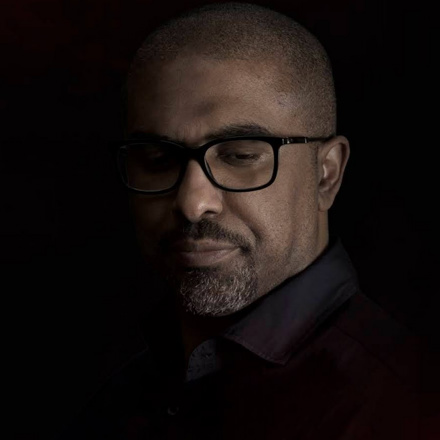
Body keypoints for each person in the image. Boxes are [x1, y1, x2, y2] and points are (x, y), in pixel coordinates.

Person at [57, 2, 422, 439]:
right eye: (157, 159)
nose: (193, 204)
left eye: (240, 156)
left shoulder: (405, 410)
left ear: (326, 174)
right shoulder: (117, 401)